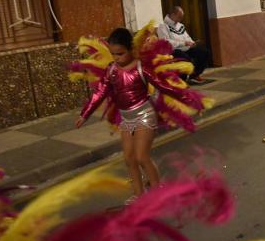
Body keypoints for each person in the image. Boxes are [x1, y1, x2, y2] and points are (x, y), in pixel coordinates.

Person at [72, 26, 213, 203]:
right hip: (126, 118)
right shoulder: (112, 70)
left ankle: (157, 190)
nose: (116, 58)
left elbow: (163, 86)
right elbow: (99, 92)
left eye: (120, 53)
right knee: (129, 159)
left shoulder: (141, 68)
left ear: (131, 49)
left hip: (144, 114)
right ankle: (139, 195)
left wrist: (186, 96)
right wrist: (85, 114)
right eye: (113, 54)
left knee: (141, 156)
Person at [157, 6, 209, 82]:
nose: (180, 19)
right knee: (186, 58)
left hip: (186, 48)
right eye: (179, 17)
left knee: (204, 52)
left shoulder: (180, 25)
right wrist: (183, 43)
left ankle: (194, 74)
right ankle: (181, 80)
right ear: (172, 14)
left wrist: (192, 42)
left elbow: (187, 37)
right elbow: (166, 42)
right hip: (173, 51)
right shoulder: (162, 26)